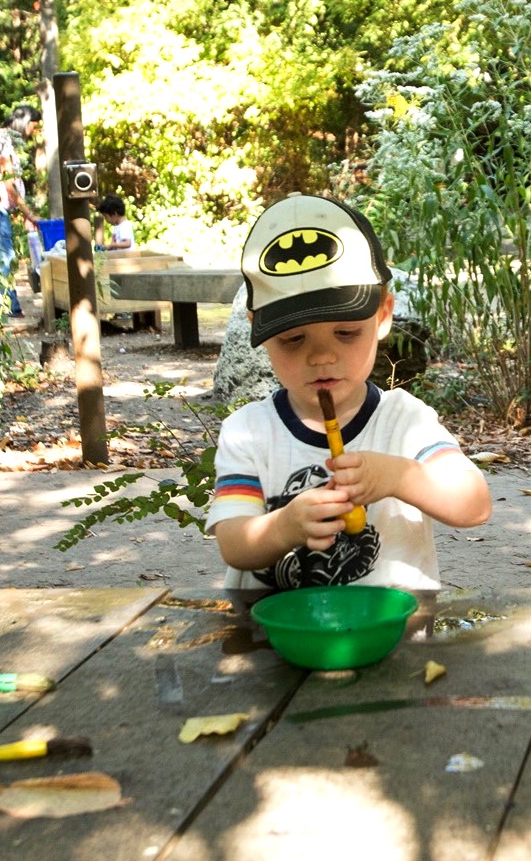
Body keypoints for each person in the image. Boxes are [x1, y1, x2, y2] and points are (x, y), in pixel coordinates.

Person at [205, 193, 493, 591]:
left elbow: (474, 504)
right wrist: (284, 526)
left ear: (383, 316)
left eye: (346, 333)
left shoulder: (404, 422)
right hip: (269, 639)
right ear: (258, 328)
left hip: (394, 636)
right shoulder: (248, 432)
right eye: (292, 339)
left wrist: (398, 476)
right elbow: (235, 545)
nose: (321, 356)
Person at [0, 105, 41, 317]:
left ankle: (7, 306)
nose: (33, 132)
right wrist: (29, 213)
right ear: (23, 122)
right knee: (2, 258)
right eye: (33, 126)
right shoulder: (2, 140)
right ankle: (4, 308)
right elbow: (8, 181)